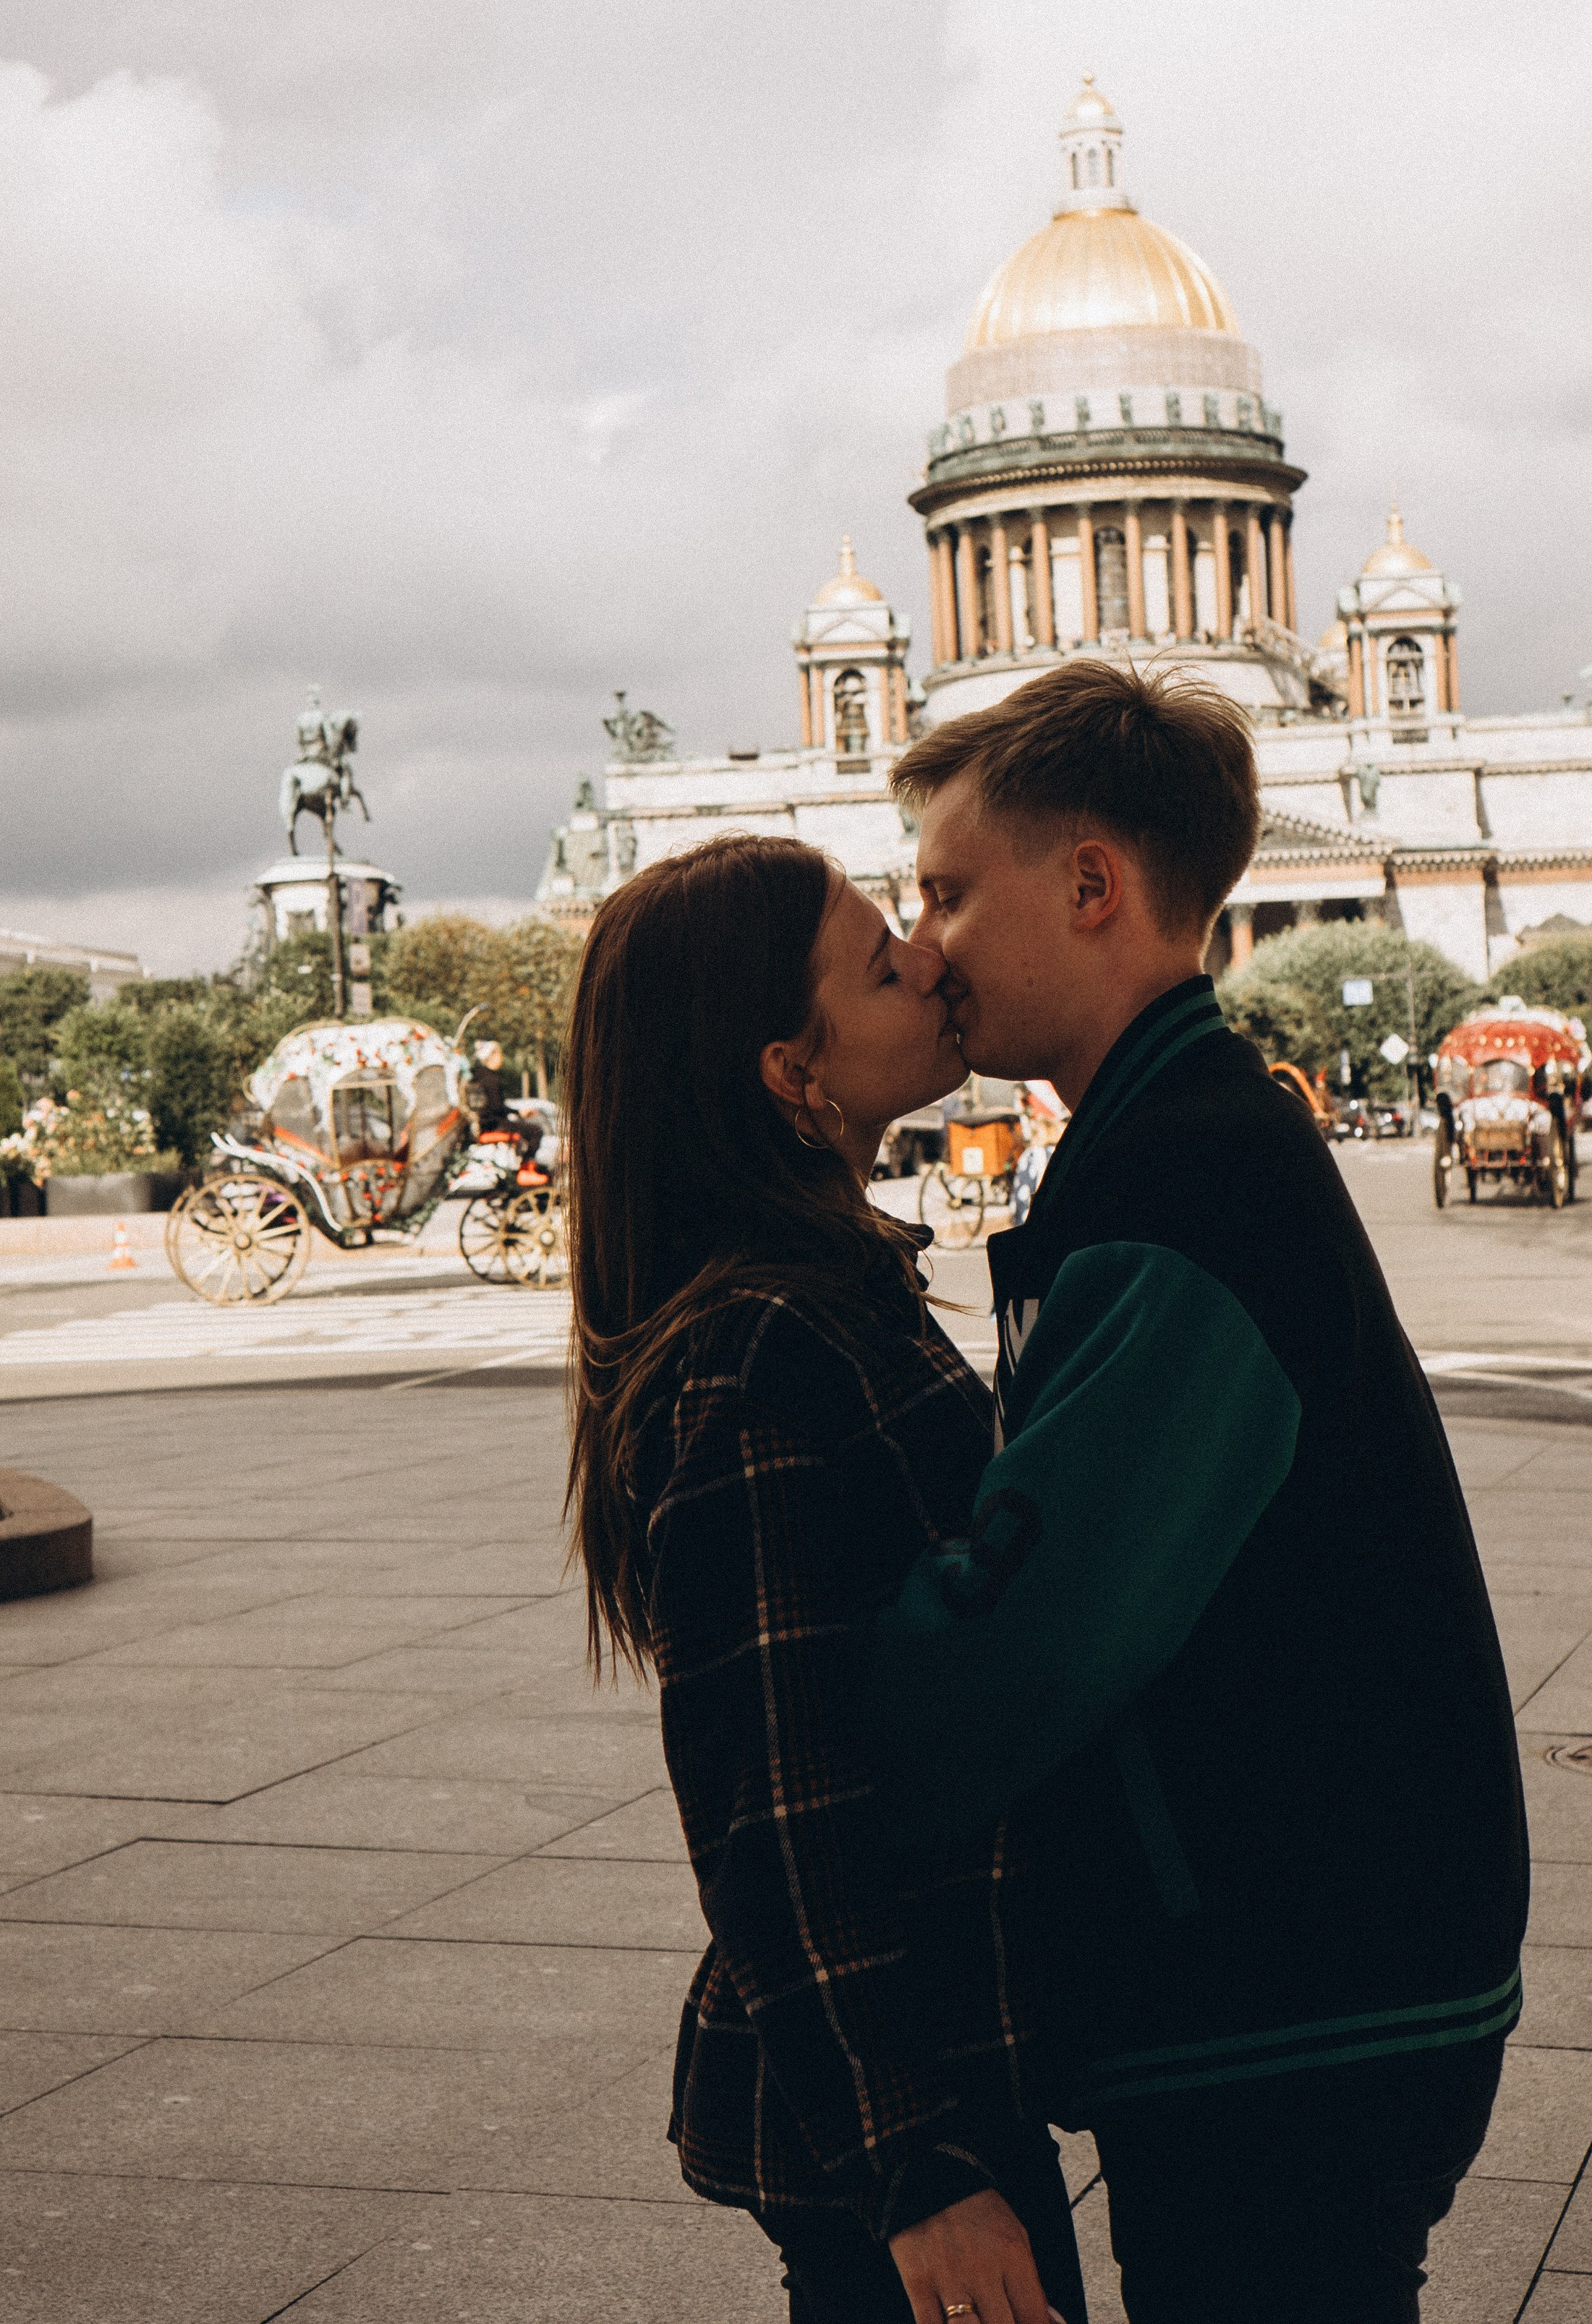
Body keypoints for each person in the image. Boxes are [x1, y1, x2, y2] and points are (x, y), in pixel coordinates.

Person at [864, 658, 1527, 2324]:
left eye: (945, 891)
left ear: (1089, 883)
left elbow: (1019, 1649)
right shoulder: (1179, 1135)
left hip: (1286, 1987)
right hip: (1316, 1956)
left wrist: (813, 1681)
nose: (921, 943)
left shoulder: (1177, 1183)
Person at [563, 836, 1084, 2324]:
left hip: (931, 2060)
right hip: (904, 2100)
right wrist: (911, 2164)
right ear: (796, 1076)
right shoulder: (764, 1349)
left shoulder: (821, 1293)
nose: (929, 958)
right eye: (878, 963)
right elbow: (769, 1800)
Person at [469, 1038, 542, 1168]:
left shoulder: (477, 1077)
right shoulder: (491, 1079)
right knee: (536, 1131)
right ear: (491, 1057)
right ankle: (526, 1167)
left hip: (484, 1124)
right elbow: (497, 1108)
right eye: (499, 1054)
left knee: (524, 1128)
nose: (501, 1058)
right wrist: (519, 1112)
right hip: (494, 1125)